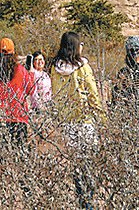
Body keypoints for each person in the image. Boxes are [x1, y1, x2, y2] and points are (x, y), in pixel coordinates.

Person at [50, 31, 105, 209]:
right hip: (84, 120)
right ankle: (88, 202)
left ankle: (82, 200)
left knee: (77, 165)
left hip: (67, 122)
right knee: (89, 163)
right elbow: (93, 94)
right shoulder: (82, 67)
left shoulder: (55, 67)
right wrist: (102, 118)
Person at [0, 37, 35, 159]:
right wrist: (30, 73)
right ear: (13, 53)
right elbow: (30, 90)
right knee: (18, 159)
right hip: (18, 118)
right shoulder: (21, 70)